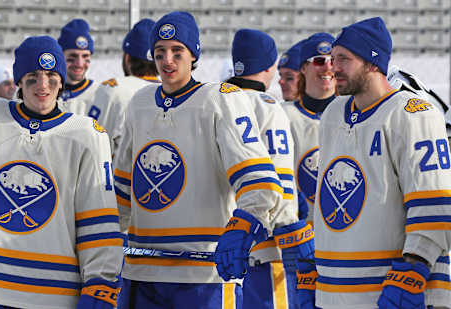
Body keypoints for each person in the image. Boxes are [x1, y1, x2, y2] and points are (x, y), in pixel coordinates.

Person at [113, 11, 311, 309]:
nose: (167, 60)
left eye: (177, 51)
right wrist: (104, 250)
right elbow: (123, 191)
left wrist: (245, 223)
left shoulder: (221, 99)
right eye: (160, 52)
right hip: (143, 271)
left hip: (204, 276)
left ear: (194, 54)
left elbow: (259, 181)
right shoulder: (139, 103)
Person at [0, 36, 123, 308]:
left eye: (52, 75)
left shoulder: (88, 136)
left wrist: (101, 283)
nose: (43, 85)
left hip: (53, 294)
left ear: (62, 81)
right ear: (18, 81)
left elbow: (98, 221)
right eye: (32, 76)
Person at [313, 17, 451, 308]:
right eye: (331, 58)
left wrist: (414, 268)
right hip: (332, 291)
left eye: (344, 59)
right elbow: (324, 196)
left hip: (390, 289)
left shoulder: (414, 114)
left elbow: (434, 202)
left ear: (373, 63)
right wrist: (310, 268)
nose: (332, 67)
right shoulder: (333, 113)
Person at [226, 28, 300, 309]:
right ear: (269, 67)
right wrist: (289, 229)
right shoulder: (268, 106)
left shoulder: (215, 101)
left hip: (221, 247)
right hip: (263, 249)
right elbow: (278, 177)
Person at [281, 32, 337, 225]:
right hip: (297, 230)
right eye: (319, 61)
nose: (328, 67)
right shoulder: (283, 115)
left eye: (333, 60)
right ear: (303, 68)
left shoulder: (354, 114)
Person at [95, 18, 160, 155]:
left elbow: (94, 145)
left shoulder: (113, 89)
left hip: (121, 175)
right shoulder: (172, 91)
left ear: (127, 57)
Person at [57, 18, 99, 107]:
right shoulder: (44, 93)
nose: (79, 64)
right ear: (61, 56)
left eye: (85, 56)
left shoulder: (99, 94)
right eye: (73, 56)